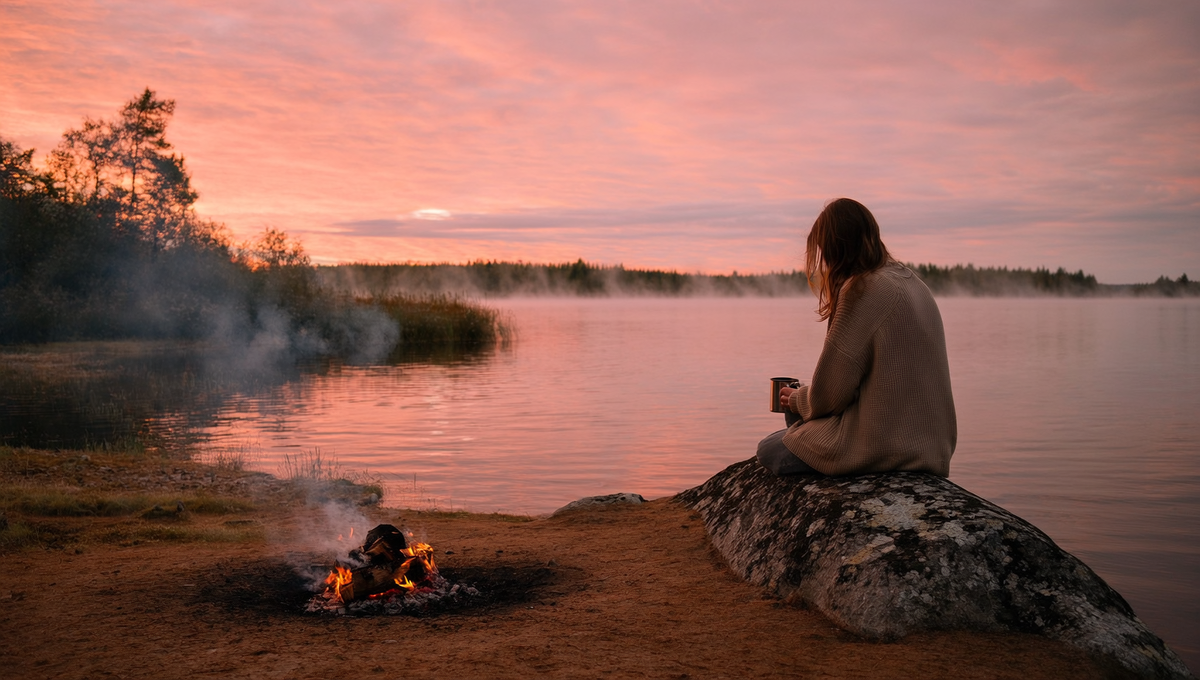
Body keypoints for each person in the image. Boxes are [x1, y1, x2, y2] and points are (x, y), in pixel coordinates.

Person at [756, 198, 957, 477]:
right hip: (932, 446)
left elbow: (830, 397)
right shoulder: (912, 282)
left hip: (884, 446)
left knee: (769, 447)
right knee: (799, 414)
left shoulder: (862, 289)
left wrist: (799, 398)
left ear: (835, 248)